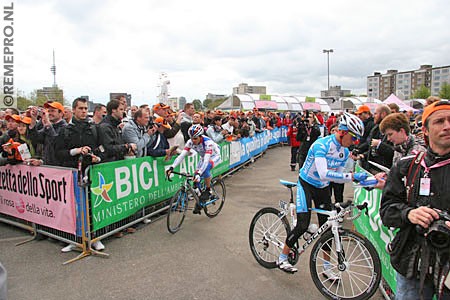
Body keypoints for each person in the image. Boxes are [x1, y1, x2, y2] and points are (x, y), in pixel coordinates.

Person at [277, 113, 367, 275]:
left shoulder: (344, 152)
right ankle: (282, 257)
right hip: (307, 184)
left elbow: (338, 179)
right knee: (302, 225)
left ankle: (326, 267)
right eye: (354, 138)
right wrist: (352, 176)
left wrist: (363, 182)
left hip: (323, 188)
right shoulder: (321, 145)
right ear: (343, 132)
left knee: (327, 230)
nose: (356, 142)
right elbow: (324, 173)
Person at [380, 100, 450, 299]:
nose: (447, 126)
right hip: (412, 264)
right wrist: (409, 213)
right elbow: (386, 211)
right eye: (439, 121)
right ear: (426, 130)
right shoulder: (407, 167)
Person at [55, 97, 105, 251]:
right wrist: (75, 151)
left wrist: (97, 157)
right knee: (76, 209)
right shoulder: (65, 130)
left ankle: (95, 238)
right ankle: (75, 239)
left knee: (93, 207)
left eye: (85, 108)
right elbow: (58, 153)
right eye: (81, 108)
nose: (84, 111)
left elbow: (100, 148)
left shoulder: (94, 128)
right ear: (74, 110)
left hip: (92, 174)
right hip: (73, 175)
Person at [166, 124, 221, 214]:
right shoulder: (190, 142)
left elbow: (206, 161)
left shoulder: (208, 143)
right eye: (192, 138)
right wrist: (171, 167)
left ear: (200, 136)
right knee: (195, 179)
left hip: (214, 156)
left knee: (204, 169)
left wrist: (199, 173)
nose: (193, 140)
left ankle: (208, 190)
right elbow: (181, 156)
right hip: (204, 157)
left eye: (195, 138)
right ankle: (200, 201)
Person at [356, 104, 394, 173]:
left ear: (383, 114)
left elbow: (394, 151)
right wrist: (363, 155)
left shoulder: (393, 129)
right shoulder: (375, 128)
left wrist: (380, 144)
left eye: (376, 114)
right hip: (372, 167)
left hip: (384, 171)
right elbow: (370, 146)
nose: (374, 116)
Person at [28, 101, 67, 166]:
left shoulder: (65, 127)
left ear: (61, 113)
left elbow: (56, 143)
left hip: (59, 167)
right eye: (48, 111)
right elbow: (35, 138)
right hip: (48, 166)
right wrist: (33, 120)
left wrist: (48, 124)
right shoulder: (48, 127)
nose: (49, 113)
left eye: (53, 111)